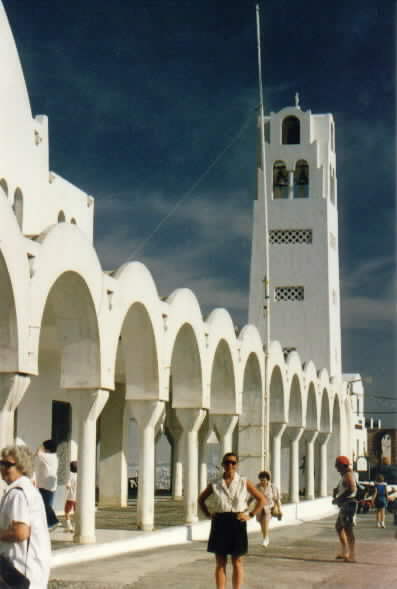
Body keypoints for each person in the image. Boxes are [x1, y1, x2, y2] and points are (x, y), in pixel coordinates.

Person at [198, 452, 265, 589]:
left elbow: (262, 499)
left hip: (237, 521)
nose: (230, 465)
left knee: (237, 561)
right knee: (220, 562)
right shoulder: (216, 484)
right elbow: (201, 499)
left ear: (237, 465)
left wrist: (250, 515)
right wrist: (208, 513)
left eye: (233, 462)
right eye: (227, 462)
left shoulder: (244, 482)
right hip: (220, 523)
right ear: (222, 465)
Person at [0, 445, 51, 588]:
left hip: (20, 570)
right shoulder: (29, 490)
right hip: (31, 570)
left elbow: (20, 532)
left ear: (22, 467)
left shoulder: (18, 494)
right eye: (1, 463)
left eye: (8, 465)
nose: (3, 468)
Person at [332, 455, 357, 563]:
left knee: (348, 529)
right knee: (339, 527)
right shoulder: (345, 475)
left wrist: (339, 499)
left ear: (342, 466)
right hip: (345, 504)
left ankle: (351, 554)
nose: (336, 467)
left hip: (349, 504)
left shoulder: (348, 475)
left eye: (337, 465)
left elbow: (351, 488)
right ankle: (345, 551)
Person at [34, 440, 60, 530]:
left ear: (47, 448)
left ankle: (53, 522)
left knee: (45, 504)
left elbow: (37, 453)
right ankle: (48, 524)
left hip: (46, 485)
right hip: (47, 485)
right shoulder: (53, 456)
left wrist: (41, 445)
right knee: (46, 505)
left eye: (44, 447)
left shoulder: (47, 456)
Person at [255, 470, 282, 547]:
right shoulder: (257, 487)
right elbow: (252, 497)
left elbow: (277, 499)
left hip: (269, 508)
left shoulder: (273, 487)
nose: (262, 481)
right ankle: (265, 538)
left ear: (267, 479)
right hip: (259, 508)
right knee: (262, 524)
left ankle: (266, 539)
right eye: (261, 480)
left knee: (265, 522)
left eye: (263, 480)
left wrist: (280, 510)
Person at [64, 461, 78, 532]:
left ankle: (69, 527)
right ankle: (76, 526)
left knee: (67, 512)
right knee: (76, 512)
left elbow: (68, 486)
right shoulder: (80, 476)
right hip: (78, 498)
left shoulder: (71, 475)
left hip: (70, 497)